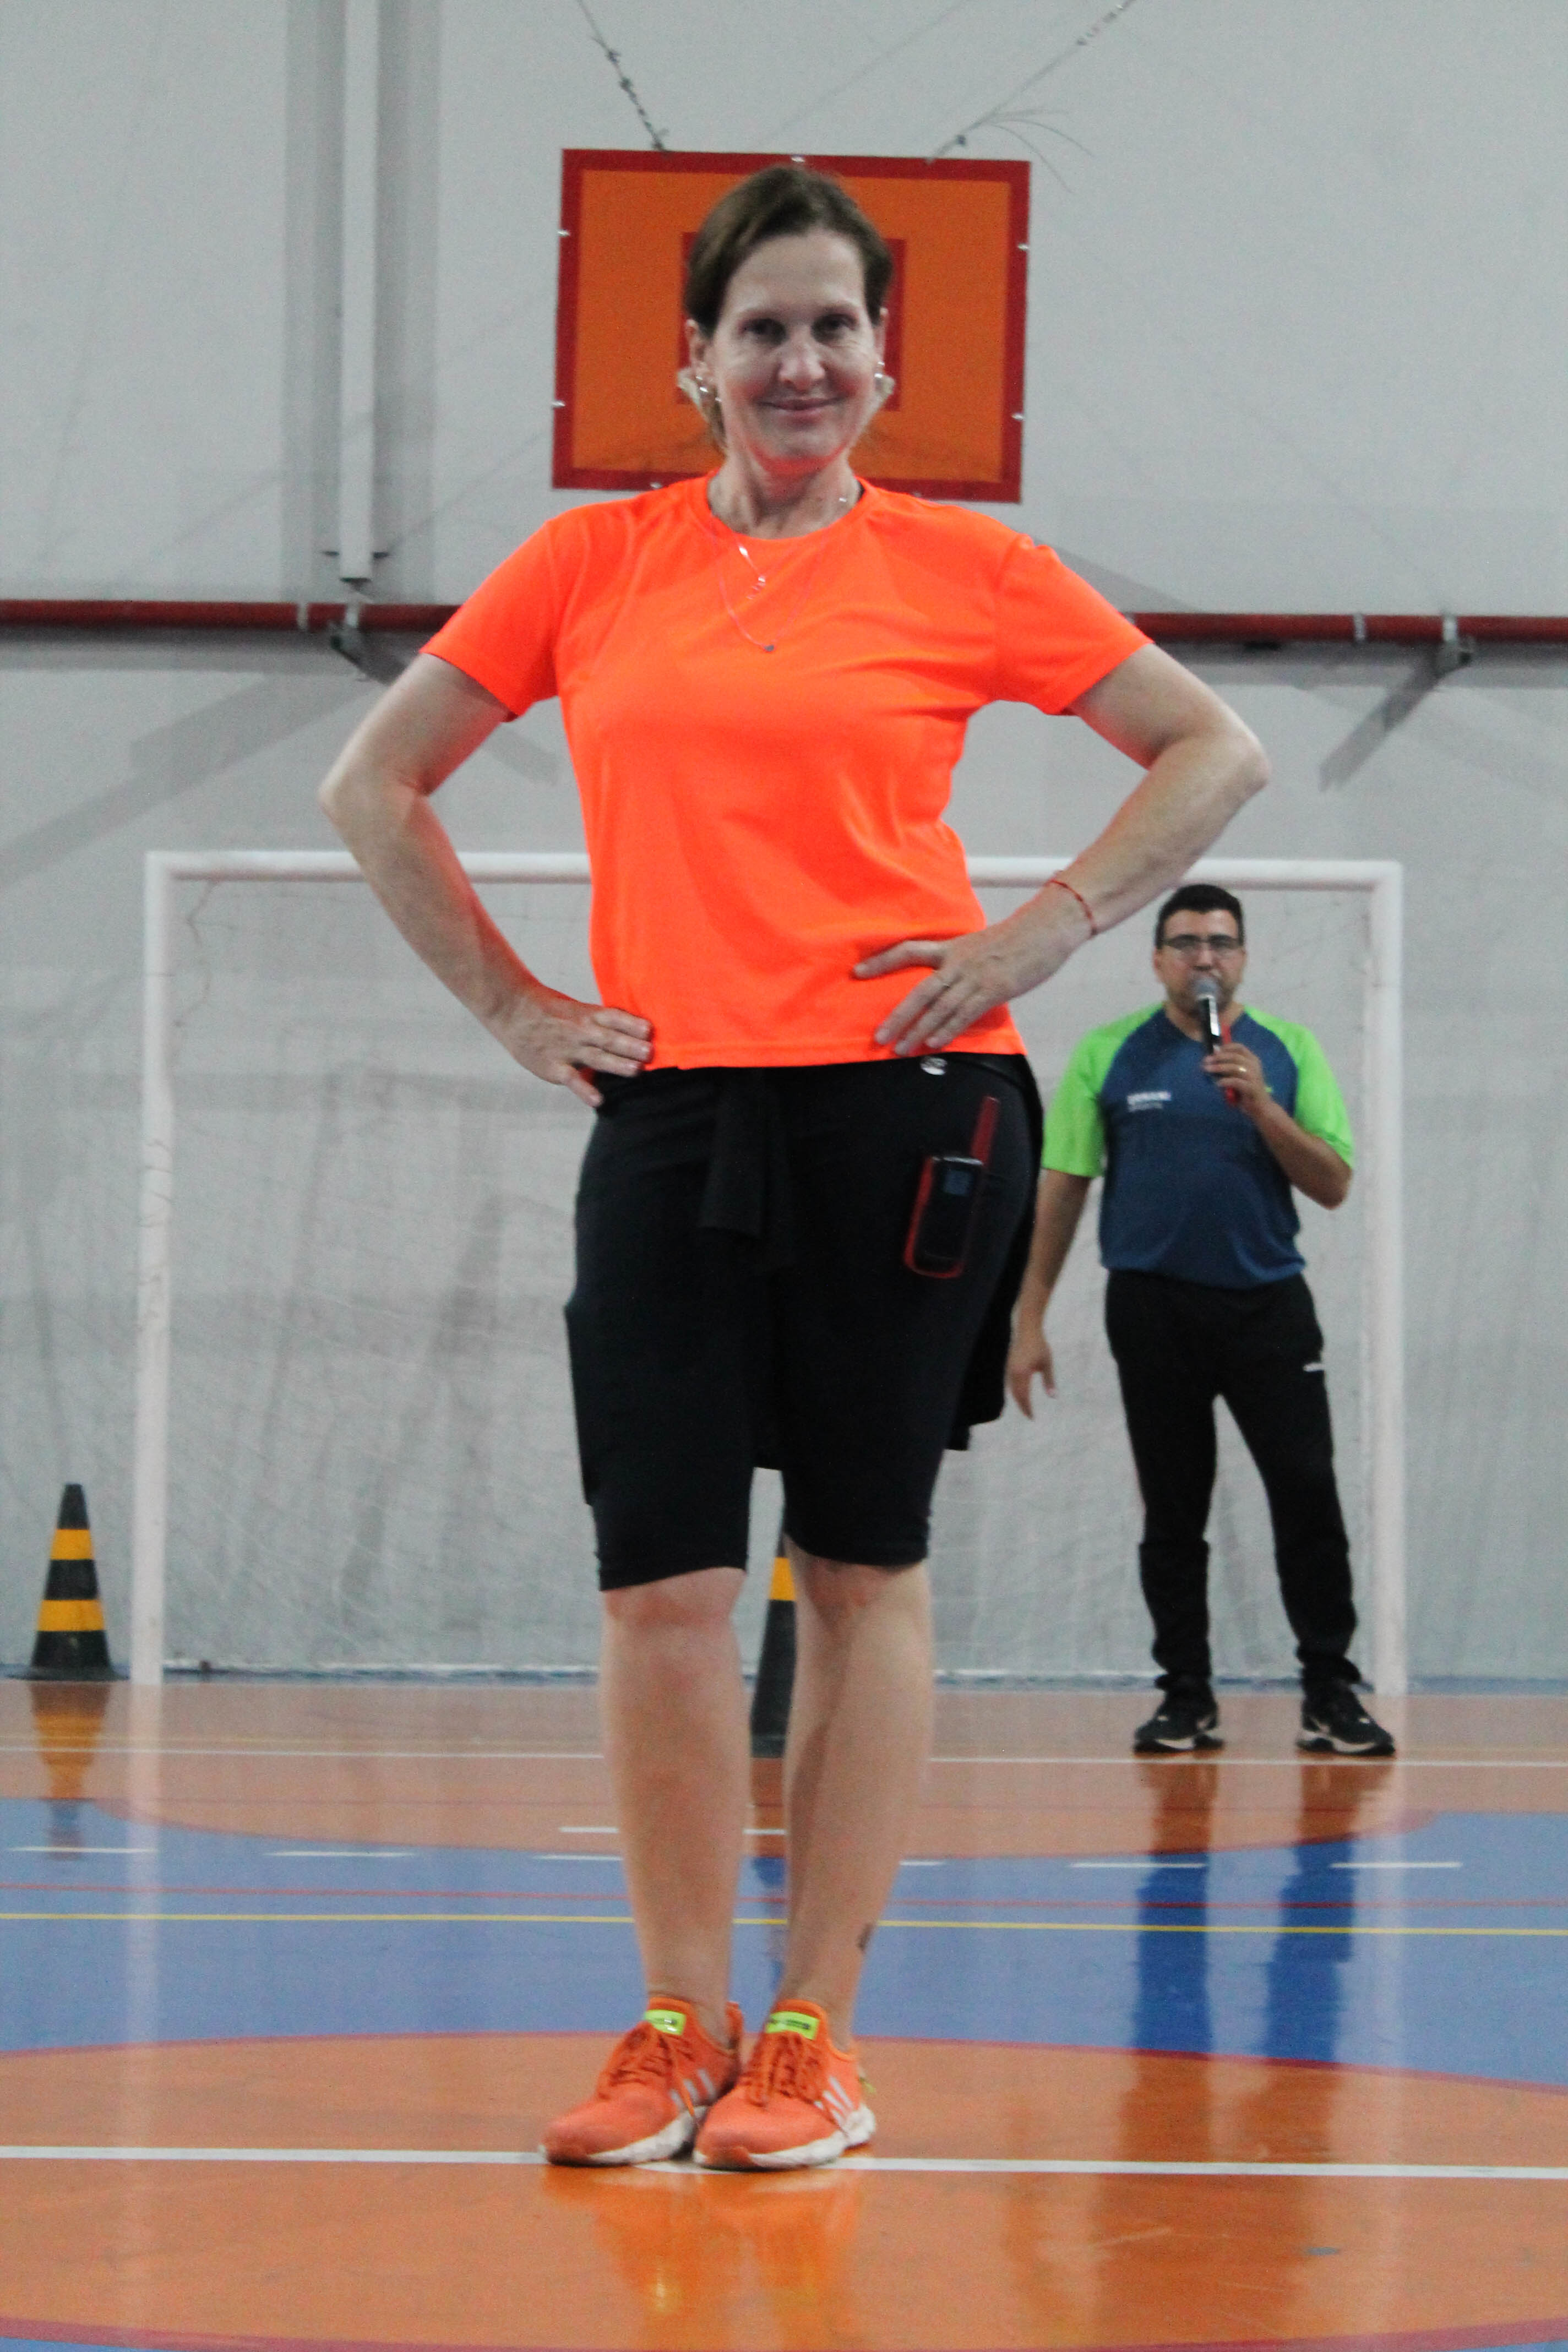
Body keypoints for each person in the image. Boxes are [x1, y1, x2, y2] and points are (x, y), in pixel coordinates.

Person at [319, 163, 1267, 2171]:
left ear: (882, 358)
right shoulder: (589, 562)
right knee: (658, 1585)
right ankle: (681, 2021)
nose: (802, 361)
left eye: (836, 325)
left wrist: (1038, 935)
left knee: (857, 1565)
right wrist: (514, 1006)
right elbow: (371, 781)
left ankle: (815, 2038)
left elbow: (1212, 748)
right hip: (670, 1110)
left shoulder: (963, 566)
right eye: (763, 327)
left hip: (908, 1109)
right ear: (697, 358)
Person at [1007, 883, 1396, 1758]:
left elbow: (1333, 1183)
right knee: (1173, 1509)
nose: (1204, 958)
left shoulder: (1288, 1051)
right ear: (1158, 960)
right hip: (1153, 1308)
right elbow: (1063, 1189)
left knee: (1307, 1493)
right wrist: (1029, 1320)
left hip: (1268, 1307)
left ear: (1243, 958)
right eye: (1186, 943)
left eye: (1220, 943)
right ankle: (1186, 1698)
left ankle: (1329, 1693)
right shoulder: (1111, 1053)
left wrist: (1262, 1107)